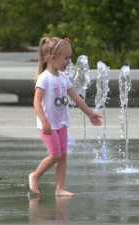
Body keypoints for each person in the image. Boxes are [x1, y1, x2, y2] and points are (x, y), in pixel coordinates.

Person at [29, 37, 102, 196]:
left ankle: (59, 189)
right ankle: (35, 175)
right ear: (53, 58)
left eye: (70, 58)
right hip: (47, 124)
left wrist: (90, 114)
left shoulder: (63, 78)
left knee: (63, 157)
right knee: (55, 155)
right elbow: (36, 101)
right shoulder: (44, 78)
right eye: (66, 58)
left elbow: (76, 98)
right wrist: (44, 121)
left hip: (61, 123)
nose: (69, 62)